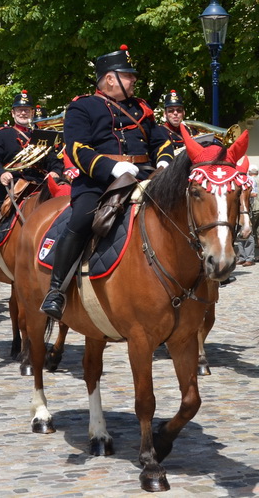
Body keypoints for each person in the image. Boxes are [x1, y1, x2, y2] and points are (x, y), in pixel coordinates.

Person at [41, 46, 174, 320]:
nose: (134, 80)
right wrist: (111, 167)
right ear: (110, 78)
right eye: (128, 75)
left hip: (144, 175)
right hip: (98, 182)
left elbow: (161, 141)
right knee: (81, 219)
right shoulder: (82, 107)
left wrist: (163, 164)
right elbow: (77, 148)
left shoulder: (141, 109)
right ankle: (56, 289)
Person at [0, 90, 63, 279]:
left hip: (38, 184)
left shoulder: (42, 135)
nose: (23, 113)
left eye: (27, 110)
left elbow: (54, 160)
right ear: (13, 113)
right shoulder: (4, 134)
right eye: (19, 110)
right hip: (11, 183)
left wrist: (55, 171)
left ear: (32, 113)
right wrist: (1, 174)